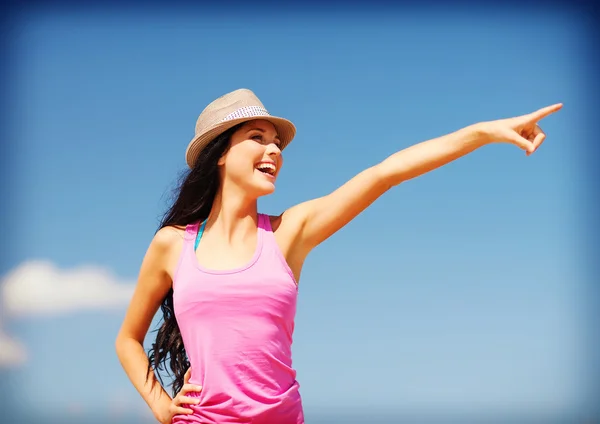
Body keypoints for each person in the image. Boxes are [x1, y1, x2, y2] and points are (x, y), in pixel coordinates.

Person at [115, 88, 562, 424]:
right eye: (257, 138)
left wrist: (484, 133)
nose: (274, 151)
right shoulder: (174, 244)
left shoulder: (289, 232)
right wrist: (160, 404)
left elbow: (385, 173)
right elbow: (128, 340)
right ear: (220, 154)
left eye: (277, 143)